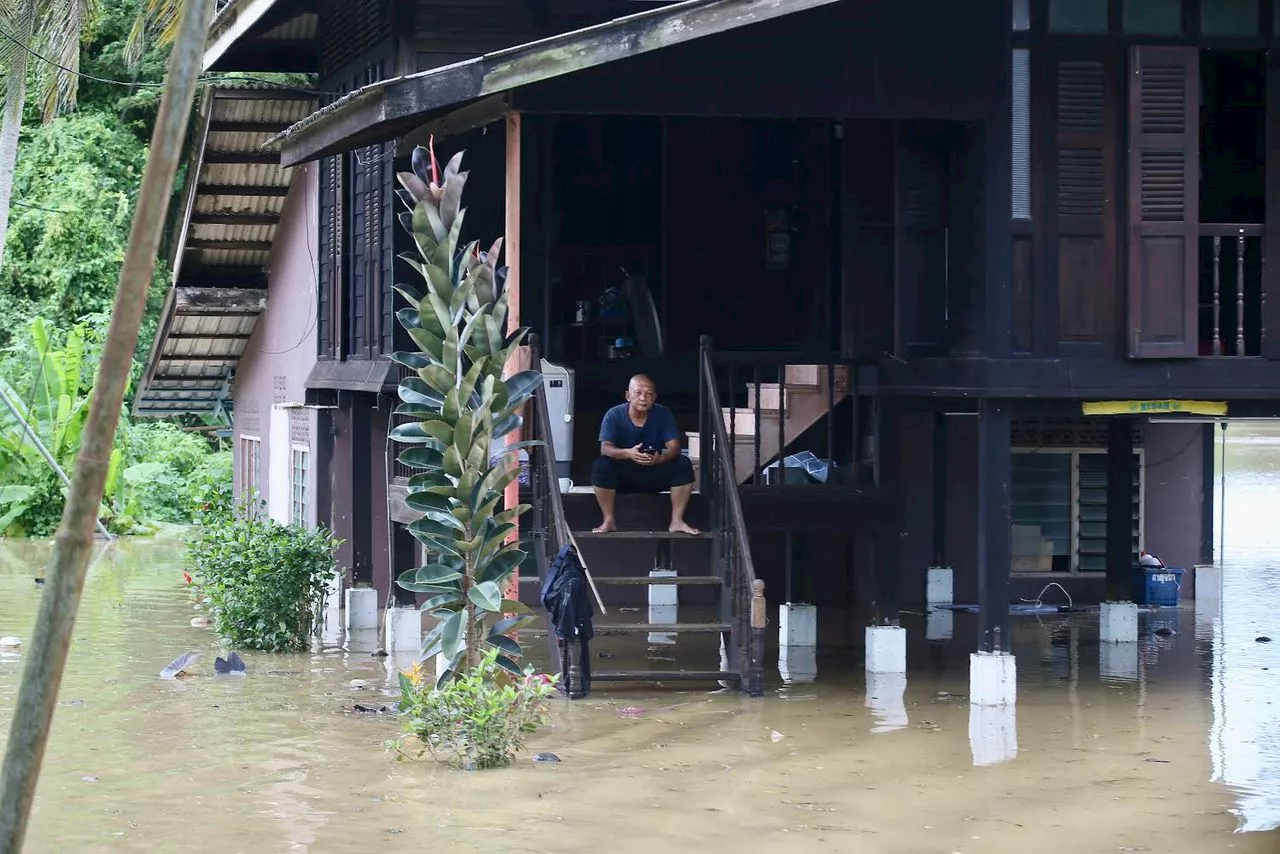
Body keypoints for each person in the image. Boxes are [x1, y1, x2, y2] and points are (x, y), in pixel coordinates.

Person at [591, 374, 700, 535]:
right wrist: (628, 453)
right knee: (602, 465)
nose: (643, 398)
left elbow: (674, 447)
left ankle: (677, 521)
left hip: (653, 470)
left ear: (654, 397)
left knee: (683, 463)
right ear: (628, 395)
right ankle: (608, 520)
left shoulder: (662, 413)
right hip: (624, 476)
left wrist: (660, 458)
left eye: (649, 394)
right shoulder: (614, 414)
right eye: (638, 393)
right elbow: (605, 448)